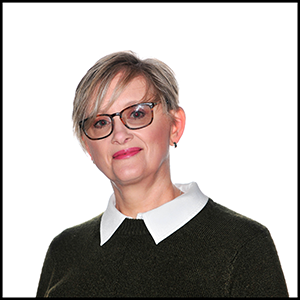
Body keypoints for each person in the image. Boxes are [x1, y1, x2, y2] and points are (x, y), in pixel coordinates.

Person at [36, 51, 288, 297]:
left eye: (137, 114)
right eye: (101, 122)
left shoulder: (243, 245)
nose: (119, 134)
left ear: (175, 126)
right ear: (87, 145)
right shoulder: (64, 251)